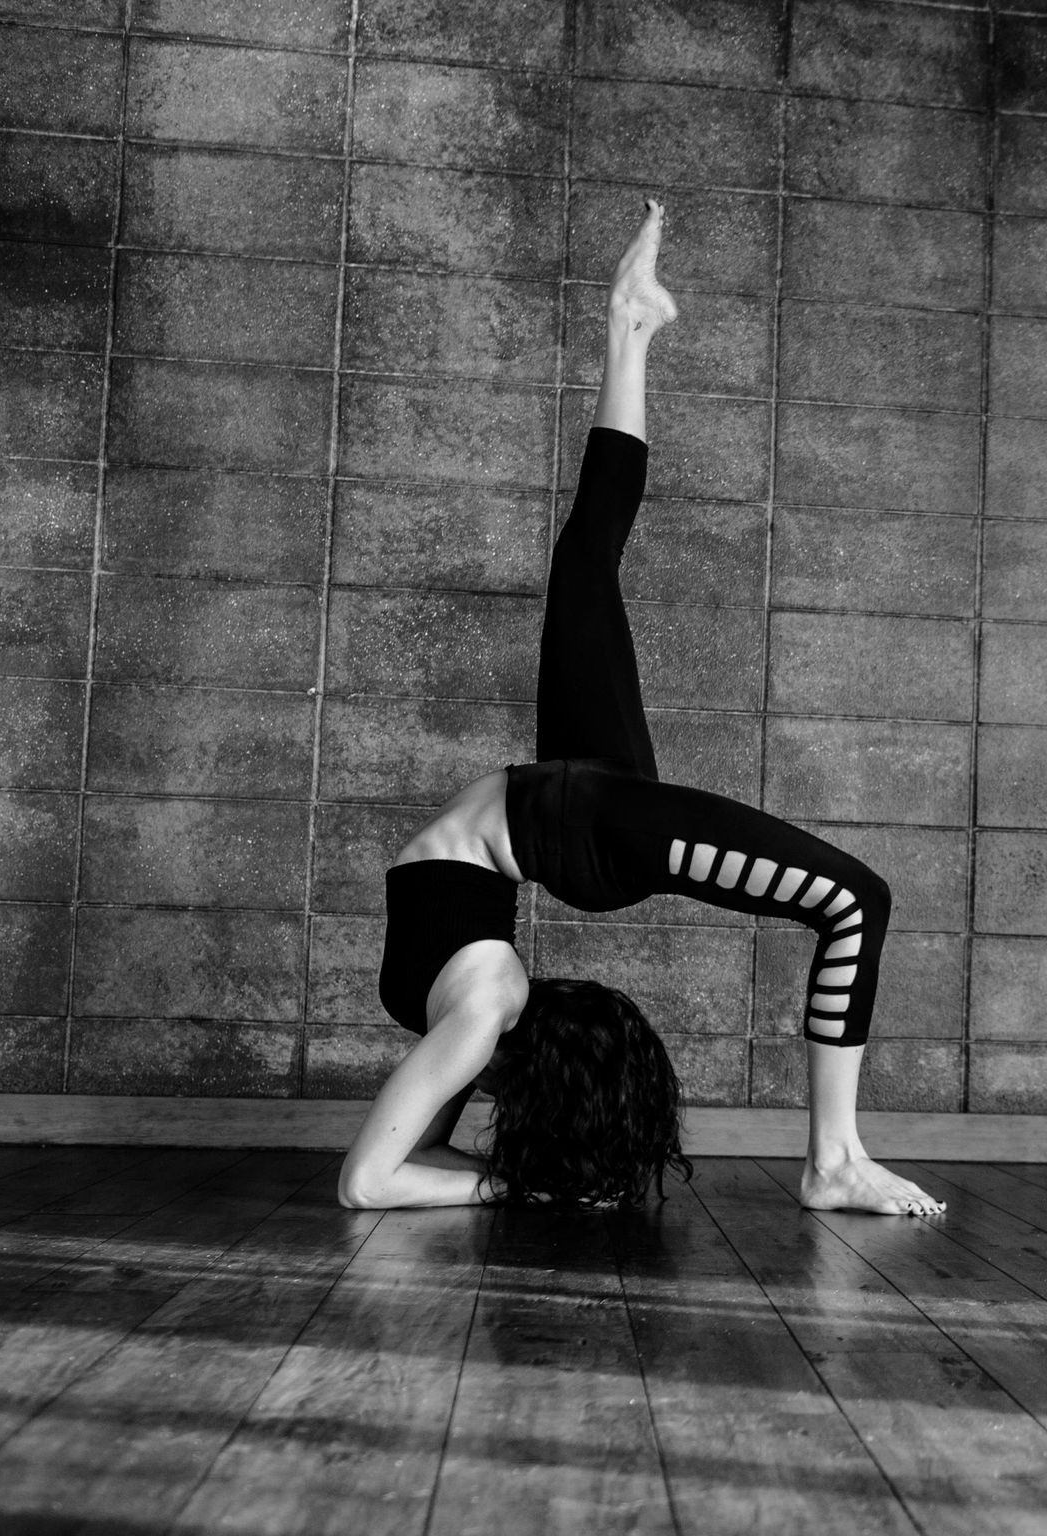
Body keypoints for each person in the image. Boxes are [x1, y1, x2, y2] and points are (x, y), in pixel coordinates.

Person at [337, 201, 946, 1220]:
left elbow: (370, 1183)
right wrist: (522, 1182)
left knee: (586, 562)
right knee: (849, 902)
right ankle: (833, 1160)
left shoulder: (482, 1016)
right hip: (558, 823)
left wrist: (519, 1179)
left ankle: (631, 324)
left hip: (567, 820)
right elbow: (391, 1165)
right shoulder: (474, 1018)